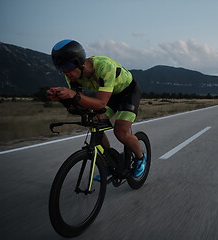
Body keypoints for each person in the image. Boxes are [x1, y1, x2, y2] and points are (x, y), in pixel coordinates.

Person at [47, 39, 146, 178]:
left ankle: (141, 158)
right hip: (108, 95)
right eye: (61, 68)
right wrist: (64, 100)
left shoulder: (104, 66)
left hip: (127, 92)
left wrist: (73, 94)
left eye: (68, 66)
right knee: (93, 123)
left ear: (79, 62)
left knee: (120, 132)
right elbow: (79, 104)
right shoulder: (72, 77)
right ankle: (109, 162)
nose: (65, 72)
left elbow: (99, 103)